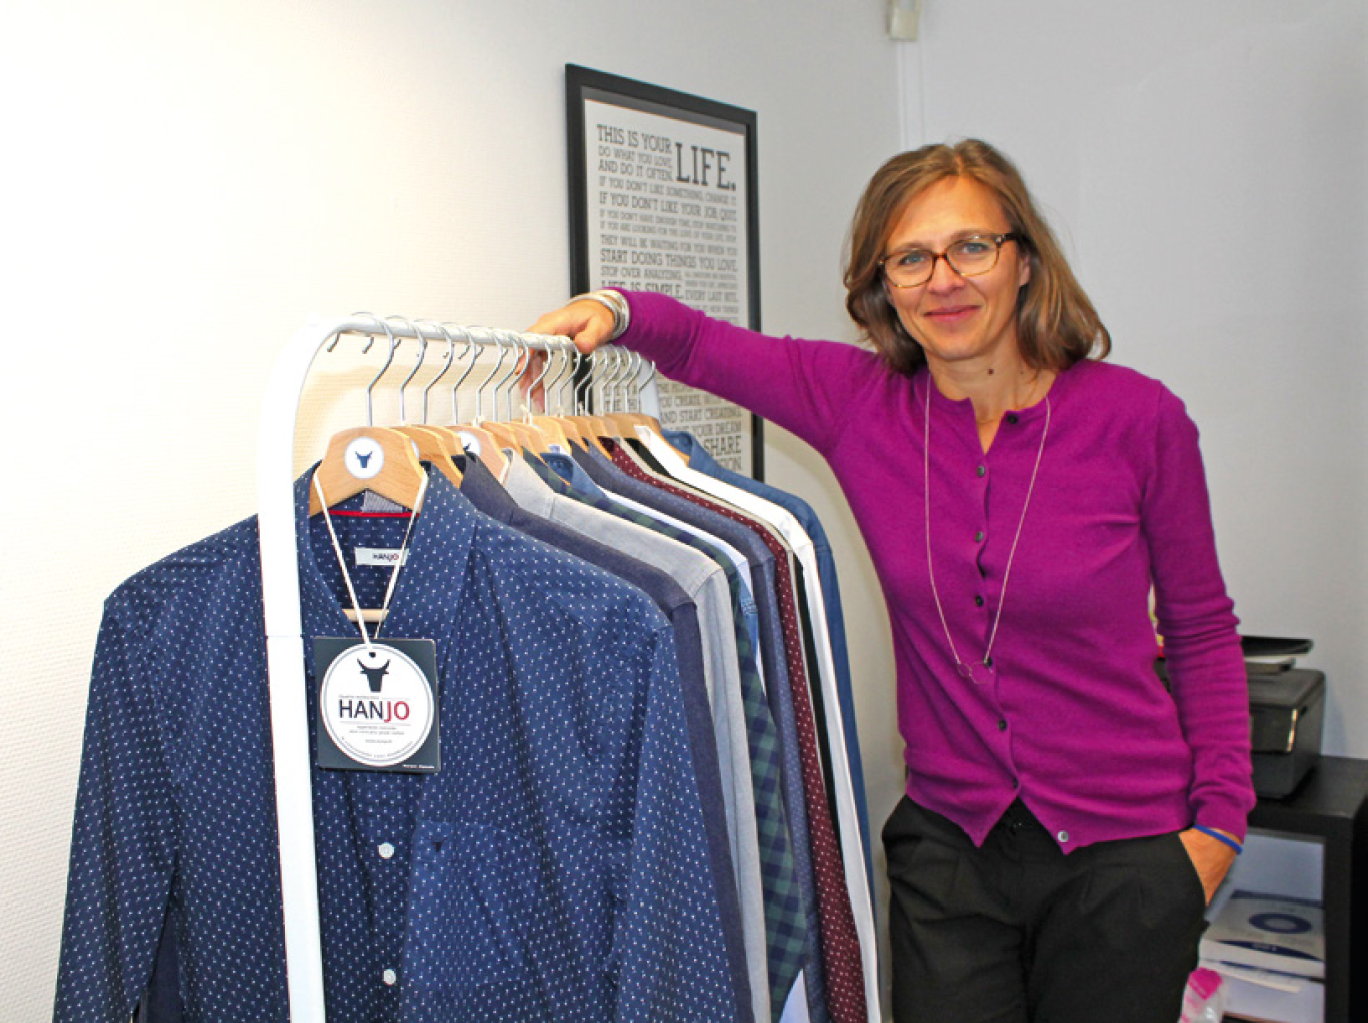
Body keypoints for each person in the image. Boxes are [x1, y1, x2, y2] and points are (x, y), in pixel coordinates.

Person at [529, 138, 1253, 1023]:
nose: (943, 279)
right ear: (885, 285)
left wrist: (1217, 828)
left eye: (971, 248)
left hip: (1128, 855)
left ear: (1023, 261)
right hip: (951, 852)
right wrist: (613, 307)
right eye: (911, 258)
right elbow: (704, 344)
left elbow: (1204, 631)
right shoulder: (861, 403)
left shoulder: (1139, 420)